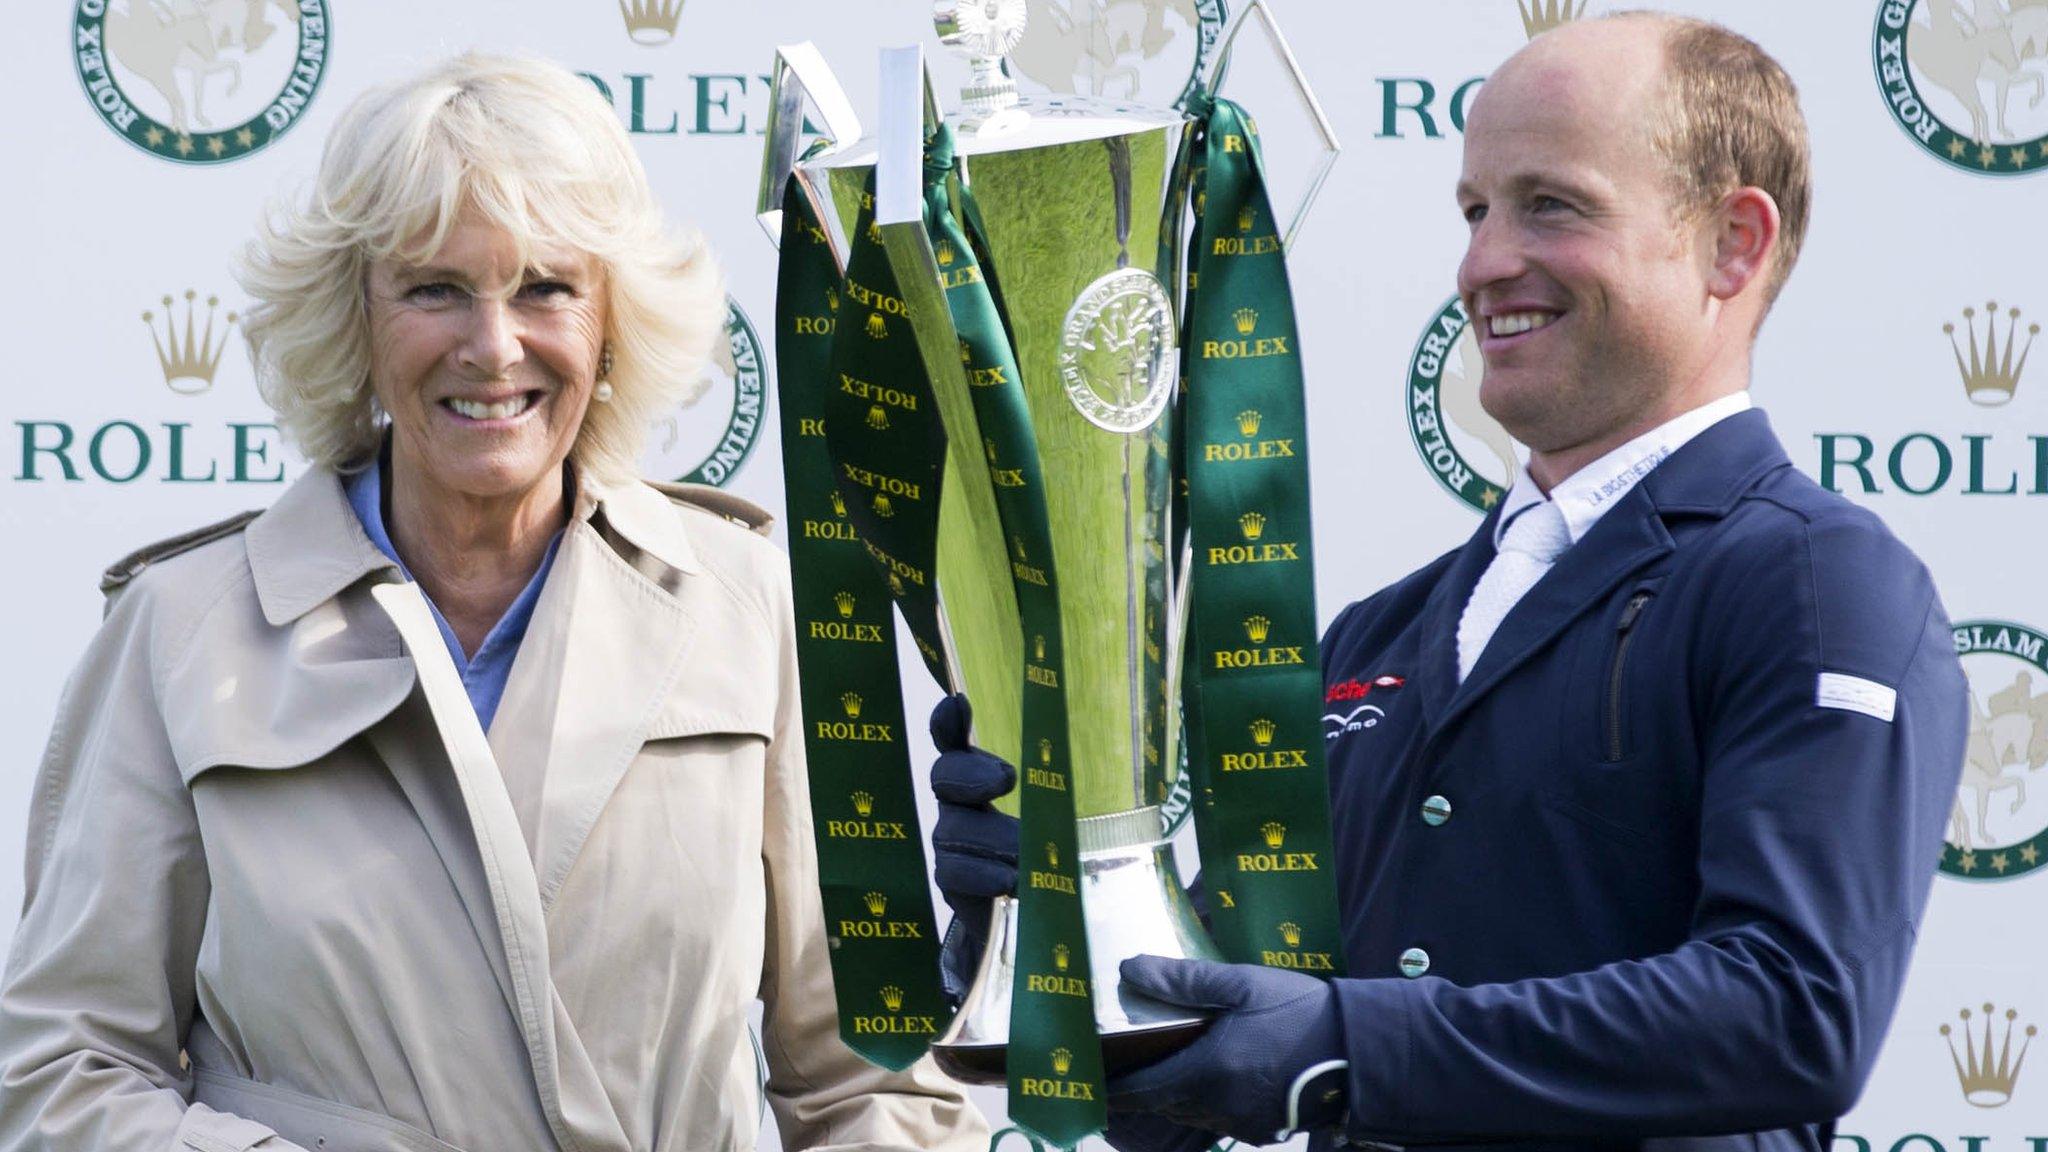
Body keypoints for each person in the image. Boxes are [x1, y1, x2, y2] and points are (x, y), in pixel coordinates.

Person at [928, 13, 1968, 1151]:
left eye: (1549, 204)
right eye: (1474, 211)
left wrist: (1343, 1047)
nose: (1480, 265)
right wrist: (1051, 927)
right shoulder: (1378, 632)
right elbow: (1207, 1077)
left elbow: (1791, 1015)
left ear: (1730, 242)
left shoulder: (1813, 583)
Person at [0, 53, 985, 1152]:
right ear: (355, 317)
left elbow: (874, 1085)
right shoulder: (180, 629)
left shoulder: (750, 607)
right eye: (434, 288)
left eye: (545, 288)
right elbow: (62, 1073)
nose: (493, 345)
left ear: (612, 320)